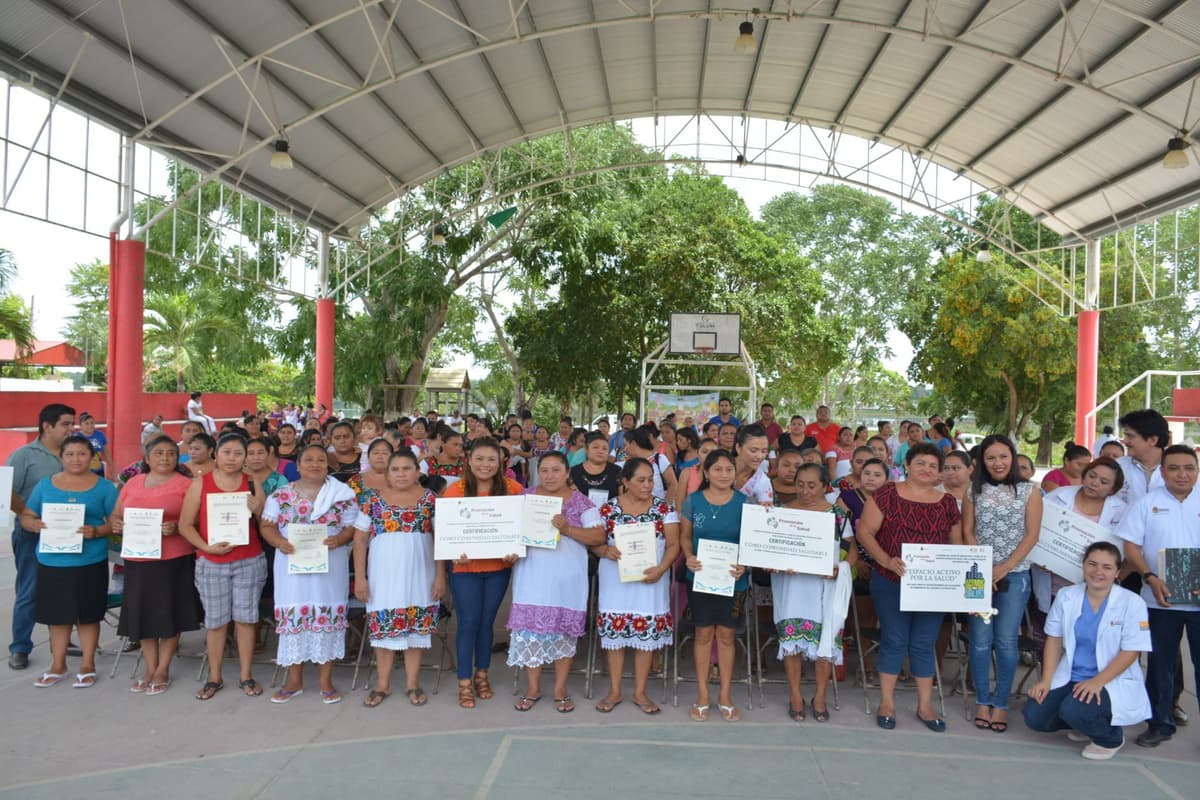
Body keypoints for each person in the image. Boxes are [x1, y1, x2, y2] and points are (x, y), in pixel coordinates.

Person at [855, 442, 961, 732]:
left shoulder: (947, 503)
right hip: (890, 581)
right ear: (907, 466)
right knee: (894, 639)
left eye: (932, 466)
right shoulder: (887, 494)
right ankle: (886, 702)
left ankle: (925, 706)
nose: (926, 469)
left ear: (939, 472)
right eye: (920, 463)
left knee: (924, 643)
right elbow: (865, 532)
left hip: (932, 587)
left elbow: (958, 546)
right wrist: (886, 560)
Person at [1023, 542, 1152, 759]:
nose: (1098, 572)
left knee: (1073, 710)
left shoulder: (1132, 603)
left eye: (1106, 567)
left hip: (1108, 680)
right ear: (1083, 566)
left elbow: (1132, 652)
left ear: (1117, 572)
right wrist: (1046, 680)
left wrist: (1097, 681)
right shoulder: (1067, 596)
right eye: (1092, 564)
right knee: (1035, 716)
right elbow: (1054, 640)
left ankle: (1110, 738)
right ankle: (1084, 722)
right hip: (1072, 676)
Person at [258, 445, 358, 705]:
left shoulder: (342, 494)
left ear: (329, 465)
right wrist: (279, 541)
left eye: (321, 460)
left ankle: (326, 682)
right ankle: (294, 681)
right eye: (309, 460)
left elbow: (351, 527)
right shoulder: (280, 496)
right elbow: (267, 525)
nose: (315, 464)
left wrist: (340, 539)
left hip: (330, 566)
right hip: (292, 566)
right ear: (298, 466)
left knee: (327, 619)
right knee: (295, 619)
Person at [1116, 444, 1200, 748]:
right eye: (1174, 468)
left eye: (1189, 467)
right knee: (1160, 665)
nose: (1182, 474)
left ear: (1197, 470)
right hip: (1159, 598)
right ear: (1162, 471)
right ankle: (1160, 723)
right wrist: (1149, 577)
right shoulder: (1146, 504)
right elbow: (1132, 548)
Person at [509, 453, 605, 713]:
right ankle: (533, 688)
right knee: (531, 632)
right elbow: (507, 531)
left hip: (567, 580)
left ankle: (560, 688)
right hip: (532, 577)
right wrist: (508, 550)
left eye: (556, 470)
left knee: (564, 633)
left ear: (566, 473)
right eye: (545, 470)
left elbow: (598, 536)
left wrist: (569, 529)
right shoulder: (524, 499)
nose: (550, 476)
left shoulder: (581, 503)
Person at [20, 435, 117, 688]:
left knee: (88, 615)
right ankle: (58, 664)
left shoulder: (104, 487)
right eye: (70, 454)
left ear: (92, 456)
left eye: (82, 454)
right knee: (57, 617)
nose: (76, 459)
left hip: (90, 561)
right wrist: (33, 524)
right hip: (53, 561)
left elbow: (116, 523)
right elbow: (27, 515)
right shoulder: (45, 485)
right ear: (61, 457)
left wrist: (97, 531)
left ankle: (88, 664)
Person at [962, 434, 1043, 733]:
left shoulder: (1029, 491)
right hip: (976, 574)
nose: (998, 463)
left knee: (1006, 642)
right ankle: (982, 700)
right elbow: (968, 531)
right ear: (982, 461)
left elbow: (1032, 534)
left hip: (1016, 574)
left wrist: (1005, 568)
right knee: (980, 640)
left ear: (1013, 458)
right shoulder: (973, 491)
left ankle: (1001, 704)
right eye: (991, 457)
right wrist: (984, 569)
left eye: (1003, 457)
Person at [178, 433, 268, 700]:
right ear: (216, 453)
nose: (232, 458)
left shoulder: (252, 482)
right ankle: (214, 676)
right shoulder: (200, 484)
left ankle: (245, 675)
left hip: (249, 560)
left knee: (246, 619)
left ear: (245, 457)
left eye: (238, 453)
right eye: (227, 452)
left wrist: (259, 508)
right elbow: (185, 524)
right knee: (216, 622)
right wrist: (205, 547)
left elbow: (266, 521)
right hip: (212, 561)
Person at [353, 449, 443, 708]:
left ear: (418, 472)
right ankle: (383, 685)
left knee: (416, 631)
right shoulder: (372, 500)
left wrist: (440, 577)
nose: (401, 473)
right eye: (395, 469)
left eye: (406, 468)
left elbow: (441, 541)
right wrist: (360, 578)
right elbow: (359, 541)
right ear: (387, 474)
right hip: (384, 578)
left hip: (421, 576)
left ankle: (412, 683)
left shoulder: (430, 500)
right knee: (383, 632)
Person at [111, 435, 201, 694]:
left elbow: (198, 522)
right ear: (147, 458)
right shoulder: (133, 482)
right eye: (159, 453)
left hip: (172, 558)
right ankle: (149, 667)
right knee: (143, 614)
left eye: (171, 453)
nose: (165, 458)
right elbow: (117, 513)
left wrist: (178, 527)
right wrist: (116, 523)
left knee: (168, 613)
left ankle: (163, 668)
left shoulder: (187, 484)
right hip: (138, 559)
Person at [442, 437, 524, 709]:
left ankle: (482, 675)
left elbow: (521, 528)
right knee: (468, 622)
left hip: (498, 568)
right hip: (465, 569)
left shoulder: (513, 489)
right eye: (479, 459)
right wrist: (453, 550)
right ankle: (464, 682)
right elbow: (445, 532)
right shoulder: (456, 490)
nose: (485, 465)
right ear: (468, 460)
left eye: (491, 459)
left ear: (501, 461)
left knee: (487, 622)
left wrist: (516, 548)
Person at [593, 458, 680, 714]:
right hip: (615, 581)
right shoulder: (608, 510)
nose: (647, 485)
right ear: (625, 482)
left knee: (645, 636)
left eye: (651, 479)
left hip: (650, 580)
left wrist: (661, 570)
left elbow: (673, 545)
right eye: (641, 480)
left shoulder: (665, 510)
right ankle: (615, 690)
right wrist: (604, 550)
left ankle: (640, 692)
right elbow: (595, 543)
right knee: (615, 637)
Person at [772, 462, 856, 722]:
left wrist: (840, 568)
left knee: (825, 643)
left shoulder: (837, 515)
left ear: (824, 487)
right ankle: (795, 694)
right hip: (792, 586)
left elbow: (853, 552)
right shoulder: (782, 512)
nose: (805, 490)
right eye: (800, 484)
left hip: (825, 587)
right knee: (792, 643)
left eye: (811, 485)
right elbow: (769, 547)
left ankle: (820, 696)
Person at [679, 450, 749, 722]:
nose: (723, 474)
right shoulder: (692, 501)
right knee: (704, 635)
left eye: (729, 469)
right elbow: (686, 536)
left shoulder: (746, 503)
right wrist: (689, 557)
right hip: (701, 577)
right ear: (706, 473)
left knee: (727, 637)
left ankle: (725, 696)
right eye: (717, 469)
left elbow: (751, 542)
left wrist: (745, 563)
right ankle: (703, 694)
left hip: (734, 580)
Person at [7, 403, 75, 670]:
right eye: (66, 424)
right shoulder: (25, 455)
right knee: (29, 590)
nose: (72, 429)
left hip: (67, 533)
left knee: (64, 590)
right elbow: (8, 490)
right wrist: (27, 515)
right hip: (32, 534)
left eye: (72, 424)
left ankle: (62, 641)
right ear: (48, 426)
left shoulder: (74, 453)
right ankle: (20, 647)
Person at [1116, 409, 1168, 507]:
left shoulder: (1179, 470)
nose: (1125, 441)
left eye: (1130, 436)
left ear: (1153, 440)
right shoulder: (1116, 467)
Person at [623, 426, 677, 501]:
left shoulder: (660, 459)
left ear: (633, 443)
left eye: (625, 445)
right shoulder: (630, 463)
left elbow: (673, 484)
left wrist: (664, 508)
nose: (624, 449)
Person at [571, 431, 622, 507]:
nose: (600, 451)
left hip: (611, 515)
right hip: (578, 516)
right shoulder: (574, 472)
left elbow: (622, 498)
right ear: (586, 449)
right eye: (595, 447)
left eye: (604, 448)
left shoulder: (617, 471)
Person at [732, 423, 773, 504]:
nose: (759, 456)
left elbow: (765, 513)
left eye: (763, 451)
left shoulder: (763, 481)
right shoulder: (718, 467)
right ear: (738, 448)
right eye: (753, 450)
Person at [675, 438, 718, 510]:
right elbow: (679, 503)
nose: (709, 455)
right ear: (697, 453)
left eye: (713, 452)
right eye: (705, 452)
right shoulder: (687, 473)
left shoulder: (723, 475)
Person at [77, 413, 112, 478]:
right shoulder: (76, 437)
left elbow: (107, 453)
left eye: (92, 423)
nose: (90, 425)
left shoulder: (100, 434)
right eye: (86, 423)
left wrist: (112, 470)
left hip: (98, 468)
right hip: (82, 469)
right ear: (80, 426)